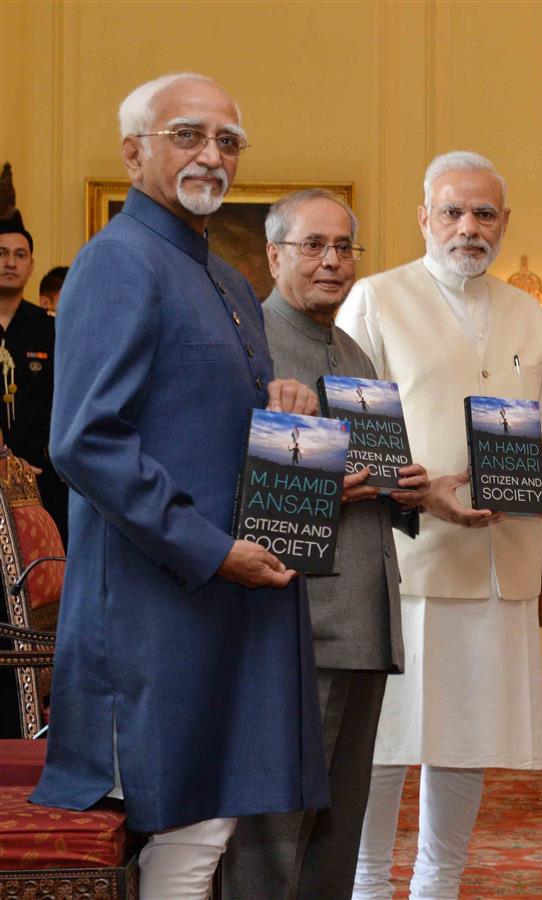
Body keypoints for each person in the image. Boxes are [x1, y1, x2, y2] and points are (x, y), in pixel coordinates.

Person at [30, 72, 328, 899]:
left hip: (229, 595)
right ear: (134, 153)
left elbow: (202, 417)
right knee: (185, 827)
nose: (212, 155)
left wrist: (281, 402)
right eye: (188, 136)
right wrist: (212, 549)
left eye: (228, 141)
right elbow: (86, 440)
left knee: (206, 824)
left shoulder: (228, 280)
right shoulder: (118, 261)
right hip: (157, 600)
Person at [337, 150, 542, 899]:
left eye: (484, 214)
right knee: (384, 739)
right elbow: (351, 433)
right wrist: (422, 494)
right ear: (424, 218)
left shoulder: (529, 313)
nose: (468, 227)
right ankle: (369, 886)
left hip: (502, 564)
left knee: (465, 738)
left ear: (504, 224)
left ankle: (438, 886)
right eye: (453, 211)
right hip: (406, 563)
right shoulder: (375, 301)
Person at [221, 189, 430, 898]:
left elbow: (366, 476)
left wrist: (405, 488)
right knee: (275, 832)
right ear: (274, 254)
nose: (333, 262)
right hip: (294, 623)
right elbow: (224, 483)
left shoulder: (354, 351)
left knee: (335, 832)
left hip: (365, 619)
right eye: (314, 246)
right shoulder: (245, 344)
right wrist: (320, 486)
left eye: (344, 247)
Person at [0, 203, 65, 543]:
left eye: (20, 255)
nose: (10, 262)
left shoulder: (51, 331)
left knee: (41, 582)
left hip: (39, 482)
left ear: (31, 265)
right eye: (2, 253)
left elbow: (66, 407)